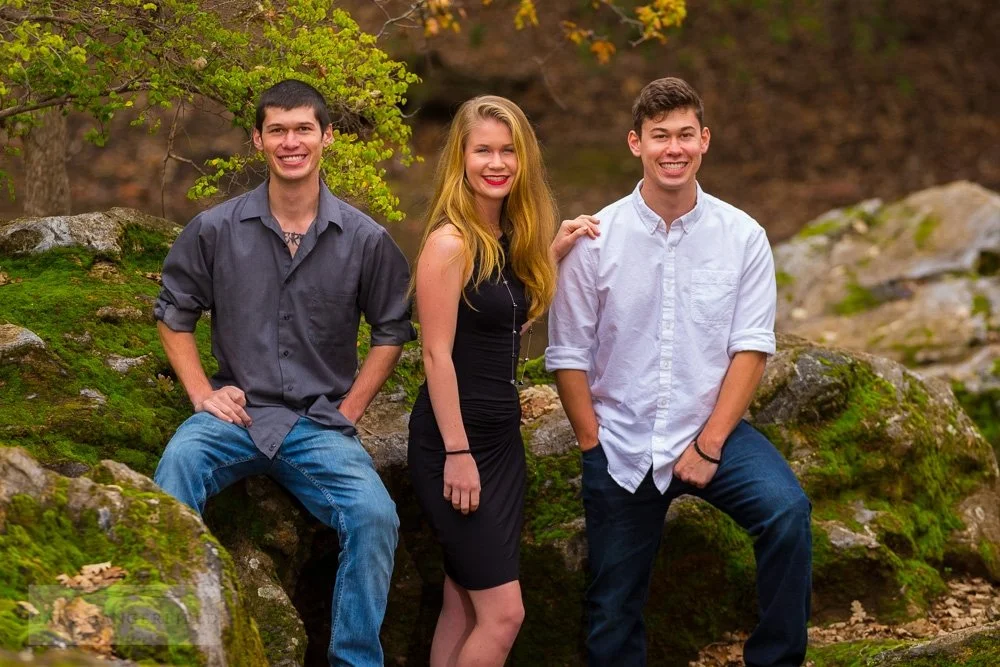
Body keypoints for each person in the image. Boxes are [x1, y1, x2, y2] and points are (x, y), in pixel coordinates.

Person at [546, 77, 813, 666]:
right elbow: (568, 354)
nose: (674, 148)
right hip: (620, 441)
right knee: (613, 605)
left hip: (710, 432)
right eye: (659, 136)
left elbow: (751, 349)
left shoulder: (742, 237)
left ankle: (775, 660)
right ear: (634, 143)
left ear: (705, 140)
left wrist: (711, 444)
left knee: (788, 514)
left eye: (685, 135)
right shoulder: (595, 241)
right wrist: (592, 443)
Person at [151, 79, 415, 666]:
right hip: (235, 414)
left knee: (374, 516)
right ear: (258, 140)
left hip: (321, 423)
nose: (291, 142)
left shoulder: (366, 240)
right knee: (175, 471)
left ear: (326, 137)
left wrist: (350, 411)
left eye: (303, 129)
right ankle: (168, 646)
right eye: (278, 130)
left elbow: (393, 331)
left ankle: (354, 661)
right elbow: (174, 314)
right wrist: (200, 394)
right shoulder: (215, 230)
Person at [407, 95, 598, 667]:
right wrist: (458, 452)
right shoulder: (450, 244)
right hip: (454, 442)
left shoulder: (507, 238)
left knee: (462, 605)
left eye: (508, 150)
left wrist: (554, 252)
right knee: (504, 613)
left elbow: (505, 325)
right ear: (461, 159)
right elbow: (436, 356)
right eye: (483, 149)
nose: (497, 162)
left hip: (501, 443)